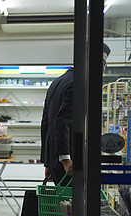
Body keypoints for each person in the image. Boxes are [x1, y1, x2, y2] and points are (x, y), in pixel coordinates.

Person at [41, 43, 111, 185]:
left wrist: (47, 162)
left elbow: (46, 123)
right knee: (74, 205)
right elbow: (62, 122)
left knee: (63, 206)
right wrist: (66, 160)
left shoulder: (57, 82)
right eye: (102, 62)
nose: (103, 68)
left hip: (56, 159)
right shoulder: (79, 83)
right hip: (71, 163)